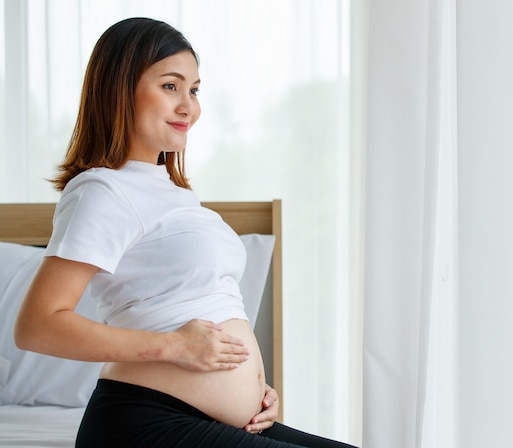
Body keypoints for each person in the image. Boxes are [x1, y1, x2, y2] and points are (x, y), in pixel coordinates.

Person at [14, 17, 358, 448]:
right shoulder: (102, 190)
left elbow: (202, 299)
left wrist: (253, 390)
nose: (188, 106)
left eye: (194, 90)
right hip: (143, 422)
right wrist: (174, 348)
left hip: (214, 420)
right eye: (171, 86)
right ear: (119, 89)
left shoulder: (174, 194)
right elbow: (38, 325)